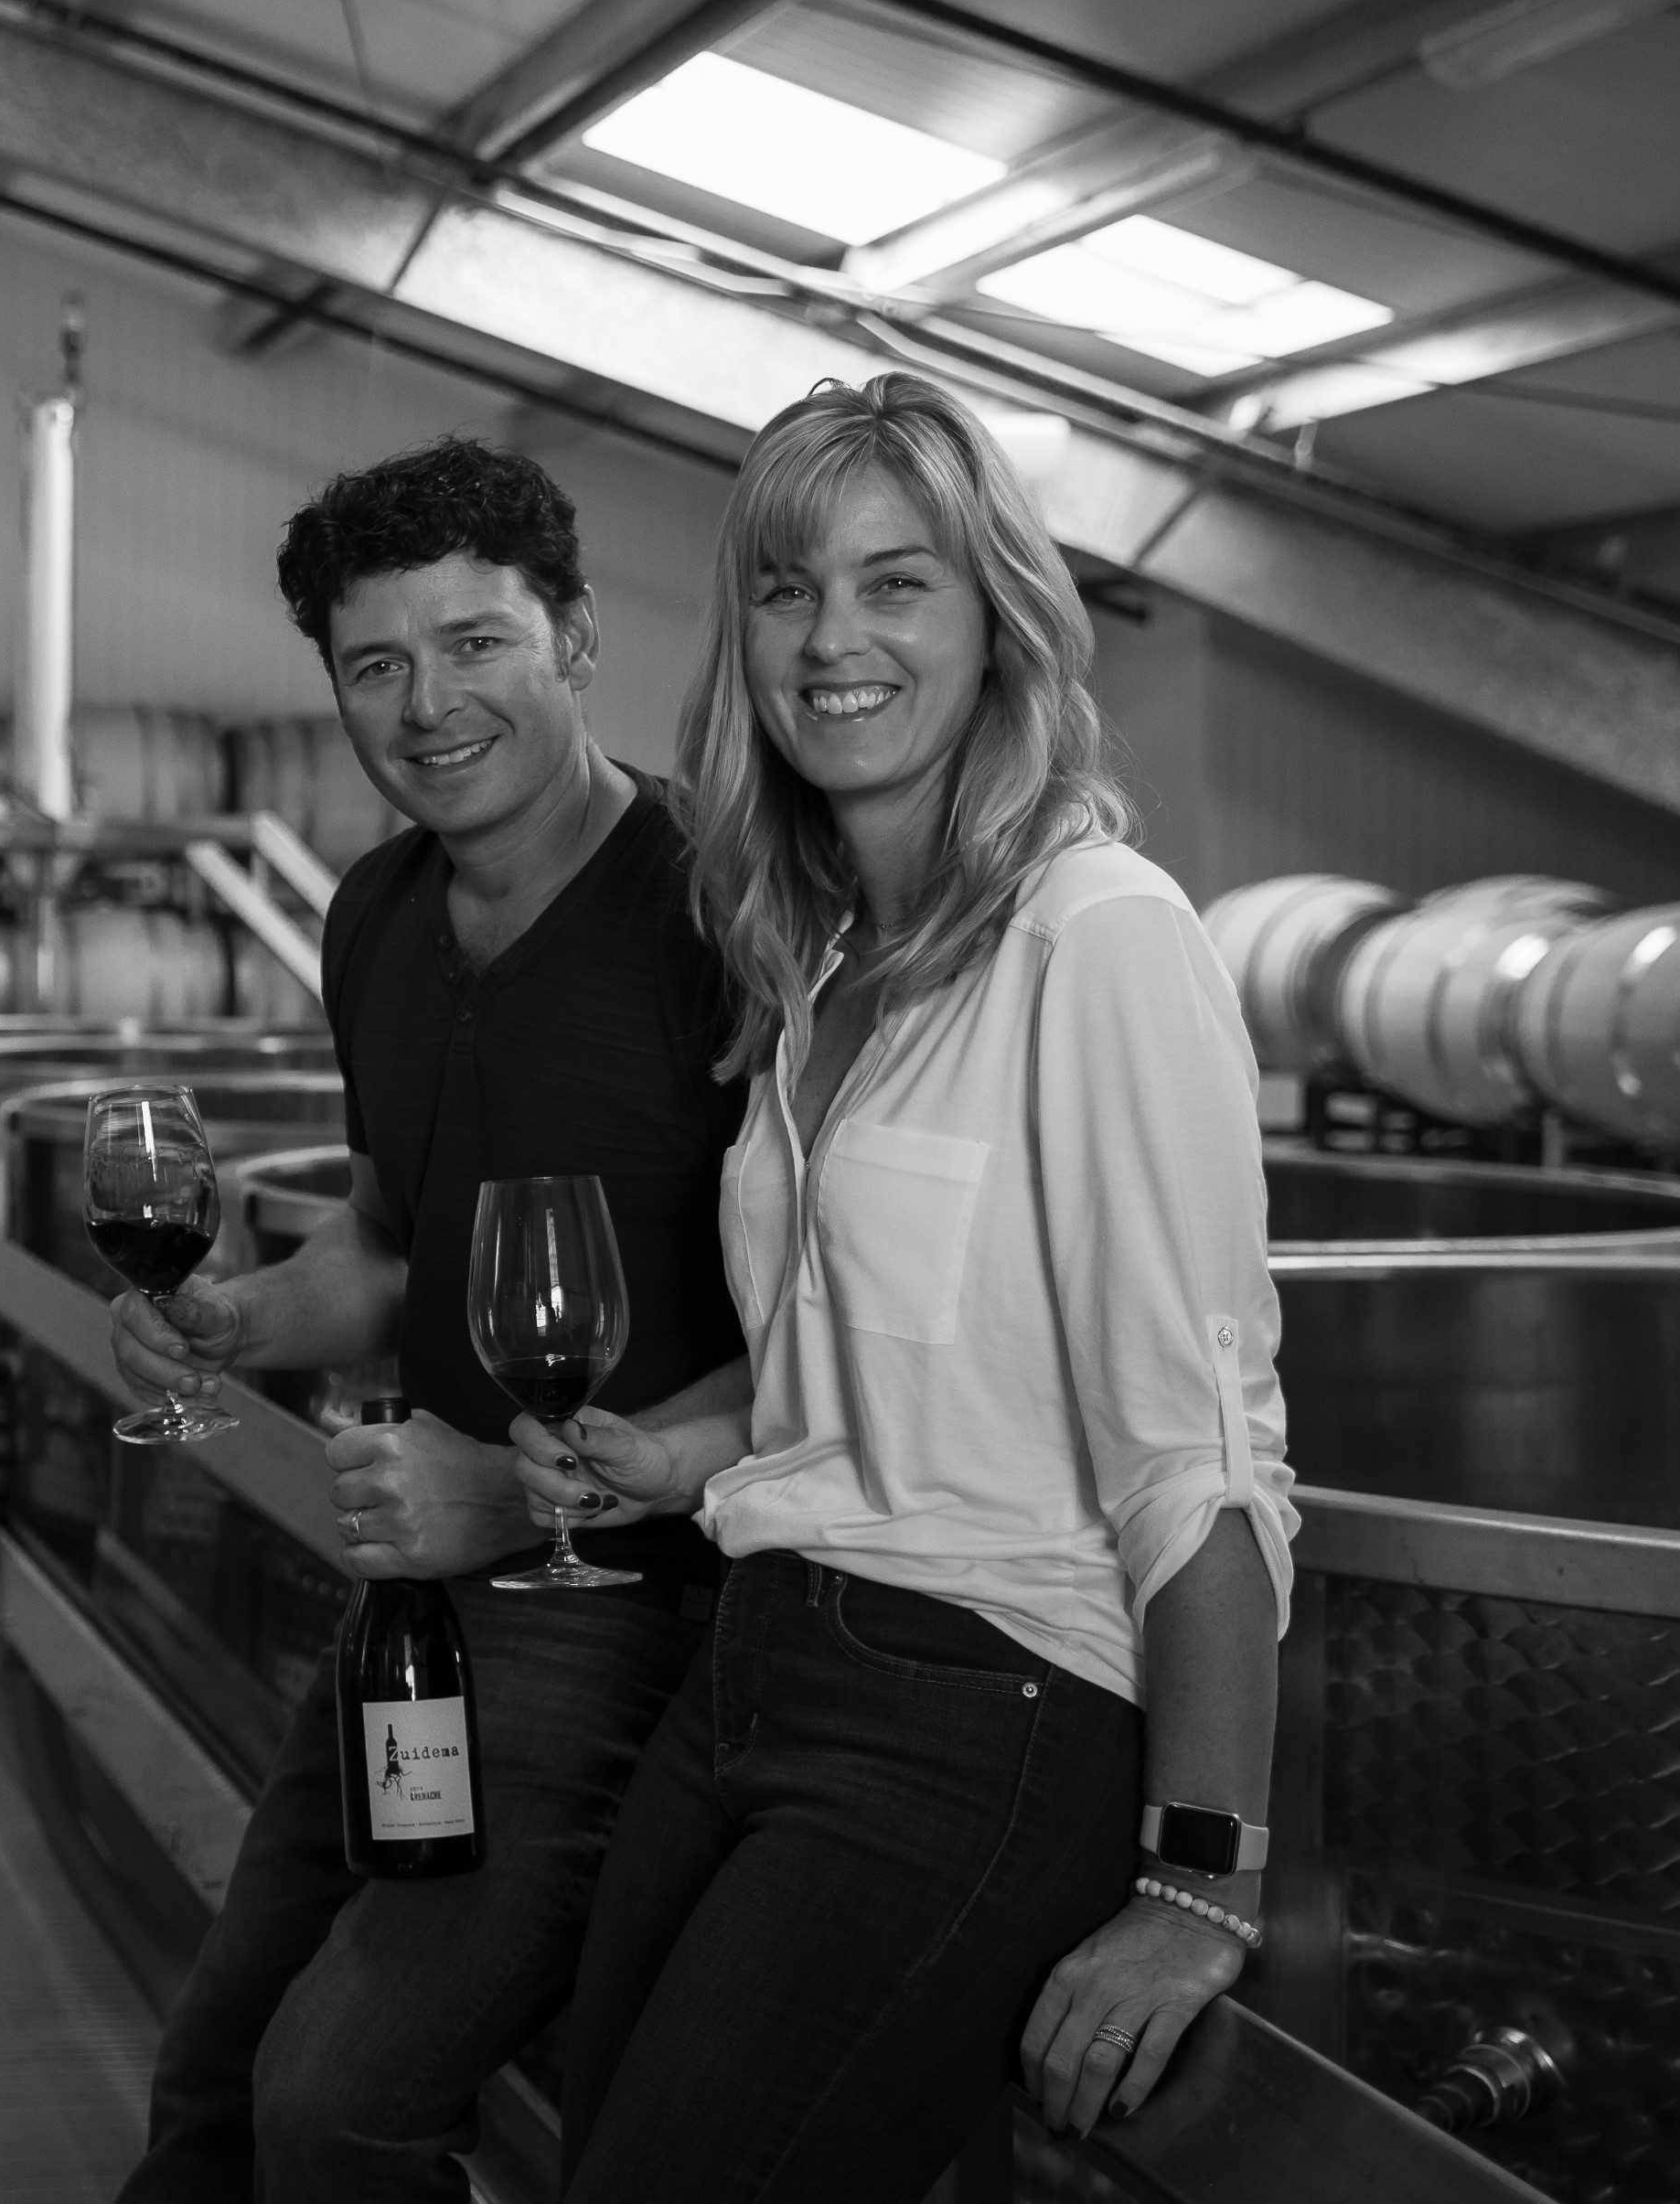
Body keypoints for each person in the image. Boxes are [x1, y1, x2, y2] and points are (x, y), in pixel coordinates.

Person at [527, 375, 1296, 2201]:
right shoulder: (823, 967)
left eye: (896, 584)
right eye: (786, 587)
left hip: (983, 1703)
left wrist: (1198, 1882)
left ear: (995, 621)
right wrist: (679, 1454)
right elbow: (868, 1377)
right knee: (580, 2139)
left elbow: (1198, 1445)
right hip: (757, 1659)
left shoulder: (1093, 933)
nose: (831, 637)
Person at [111, 434, 747, 2203]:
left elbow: (842, 1336)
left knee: (342, 2103)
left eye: (477, 643)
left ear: (580, 639)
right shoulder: (375, 913)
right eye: (376, 664)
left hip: (639, 1614)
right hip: (419, 1595)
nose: (429, 703)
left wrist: (532, 1497)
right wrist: (235, 1315)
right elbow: (398, 1236)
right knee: (221, 2074)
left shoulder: (725, 913)